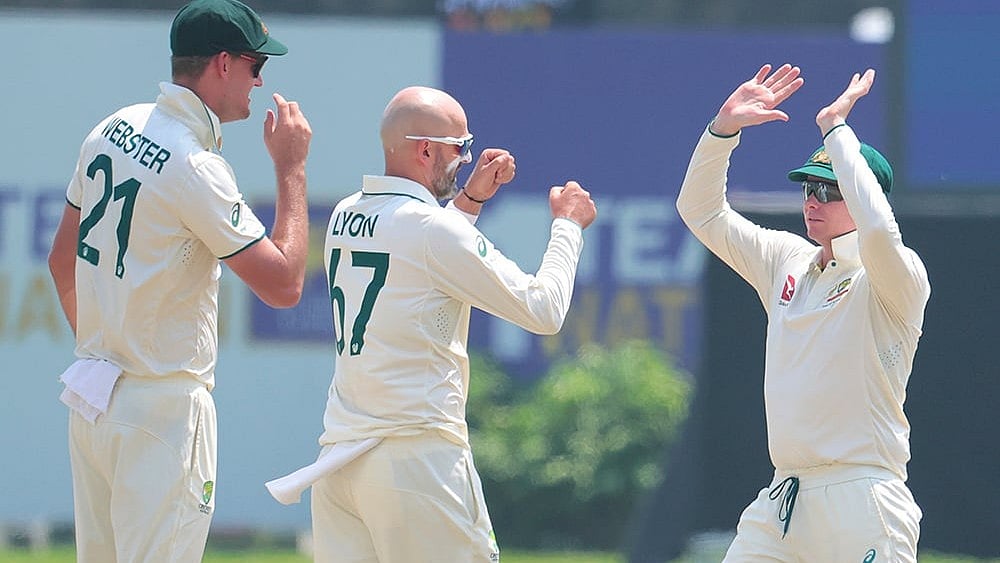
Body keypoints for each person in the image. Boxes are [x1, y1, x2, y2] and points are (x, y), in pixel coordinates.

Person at [265, 85, 597, 562]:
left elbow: (418, 253)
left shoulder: (346, 212)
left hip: (340, 461)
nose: (467, 158)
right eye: (460, 147)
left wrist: (469, 201)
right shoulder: (433, 229)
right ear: (425, 150)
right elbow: (543, 310)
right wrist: (567, 227)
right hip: (417, 461)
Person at [46, 1, 311, 561]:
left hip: (94, 397)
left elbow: (60, 259)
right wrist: (291, 168)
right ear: (223, 63)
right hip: (162, 411)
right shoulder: (195, 165)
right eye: (256, 64)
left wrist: (106, 353)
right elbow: (285, 284)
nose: (260, 81)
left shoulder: (112, 127)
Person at [676, 64, 930, 561]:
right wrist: (722, 130)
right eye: (809, 188)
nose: (813, 201)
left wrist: (835, 129)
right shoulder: (786, 260)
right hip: (783, 500)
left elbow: (879, 230)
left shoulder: (894, 277)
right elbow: (700, 211)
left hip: (862, 494)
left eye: (830, 190)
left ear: (862, 194)